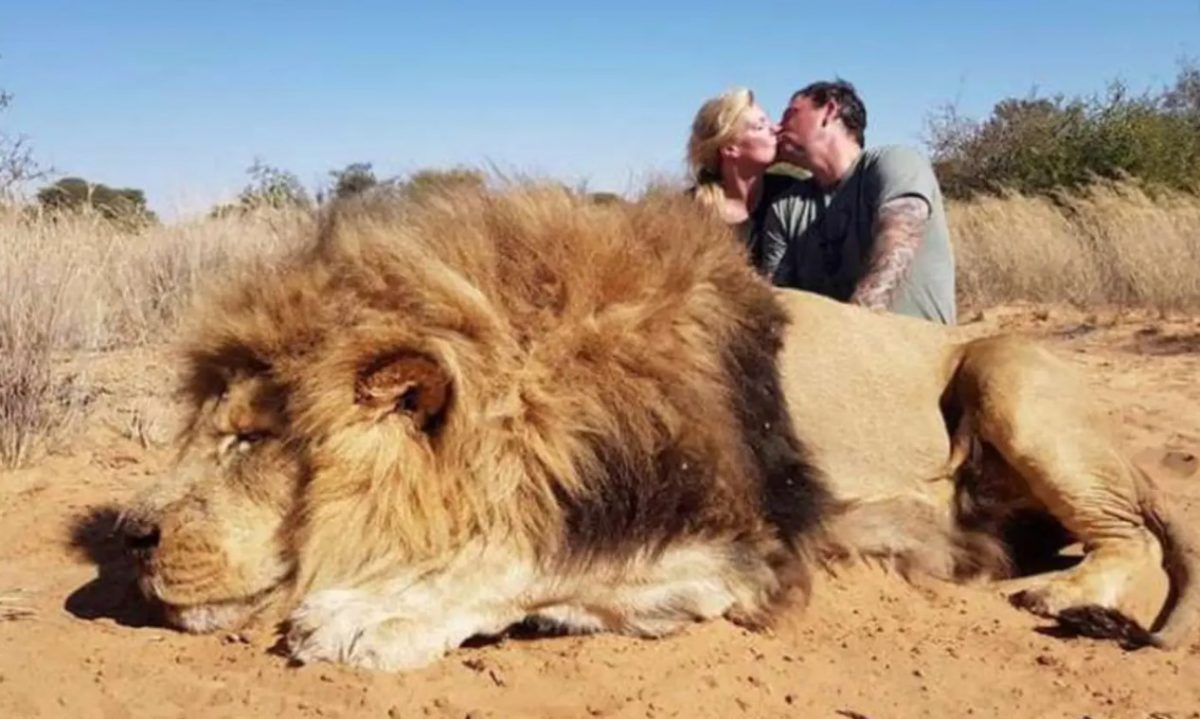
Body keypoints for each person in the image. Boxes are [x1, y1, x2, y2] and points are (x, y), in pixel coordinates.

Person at [765, 80, 957, 324]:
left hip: (917, 353)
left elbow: (896, 245)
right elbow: (777, 299)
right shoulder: (785, 208)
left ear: (829, 111)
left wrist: (853, 335)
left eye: (790, 114)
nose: (777, 127)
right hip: (834, 354)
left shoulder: (895, 162)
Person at [686, 87, 795, 274]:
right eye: (760, 127)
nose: (776, 129)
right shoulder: (688, 211)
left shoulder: (790, 193)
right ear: (730, 149)